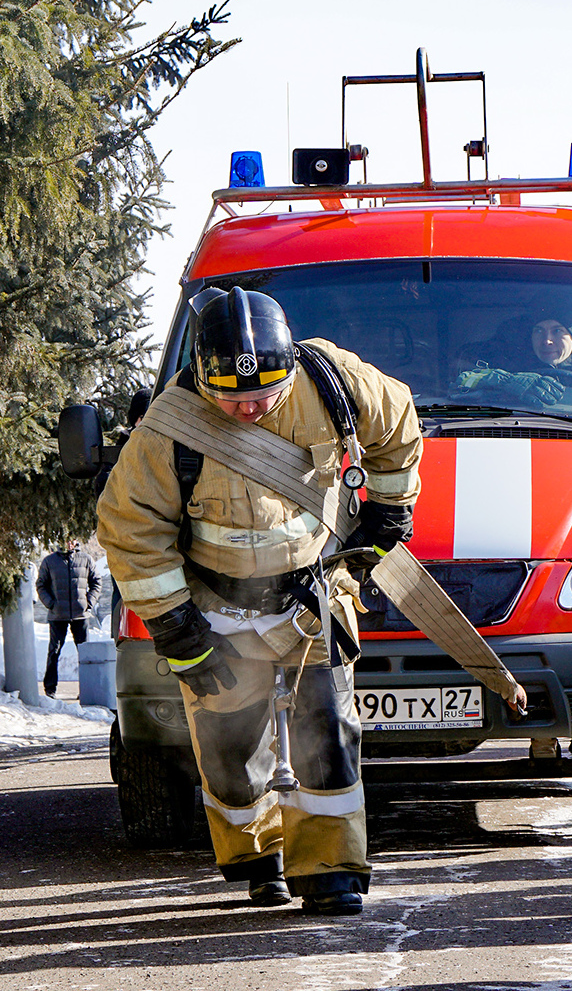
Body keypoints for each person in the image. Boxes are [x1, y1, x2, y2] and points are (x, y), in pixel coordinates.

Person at [97, 286, 422, 916]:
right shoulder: (169, 428)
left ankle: (332, 872)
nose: (250, 408)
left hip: (312, 598)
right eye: (233, 398)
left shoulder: (332, 381)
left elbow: (399, 423)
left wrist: (389, 507)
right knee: (231, 750)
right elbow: (130, 526)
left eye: (266, 395)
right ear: (203, 377)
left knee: (326, 733)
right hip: (216, 610)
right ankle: (258, 856)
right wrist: (177, 630)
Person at [37, 540, 103, 698]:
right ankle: (50, 690)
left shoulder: (85, 559)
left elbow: (96, 582)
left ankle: (87, 689)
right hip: (57, 615)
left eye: (71, 540)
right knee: (54, 652)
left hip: (80, 615)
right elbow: (41, 585)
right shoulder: (49, 561)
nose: (68, 543)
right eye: (65, 540)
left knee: (84, 654)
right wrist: (51, 604)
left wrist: (89, 603)